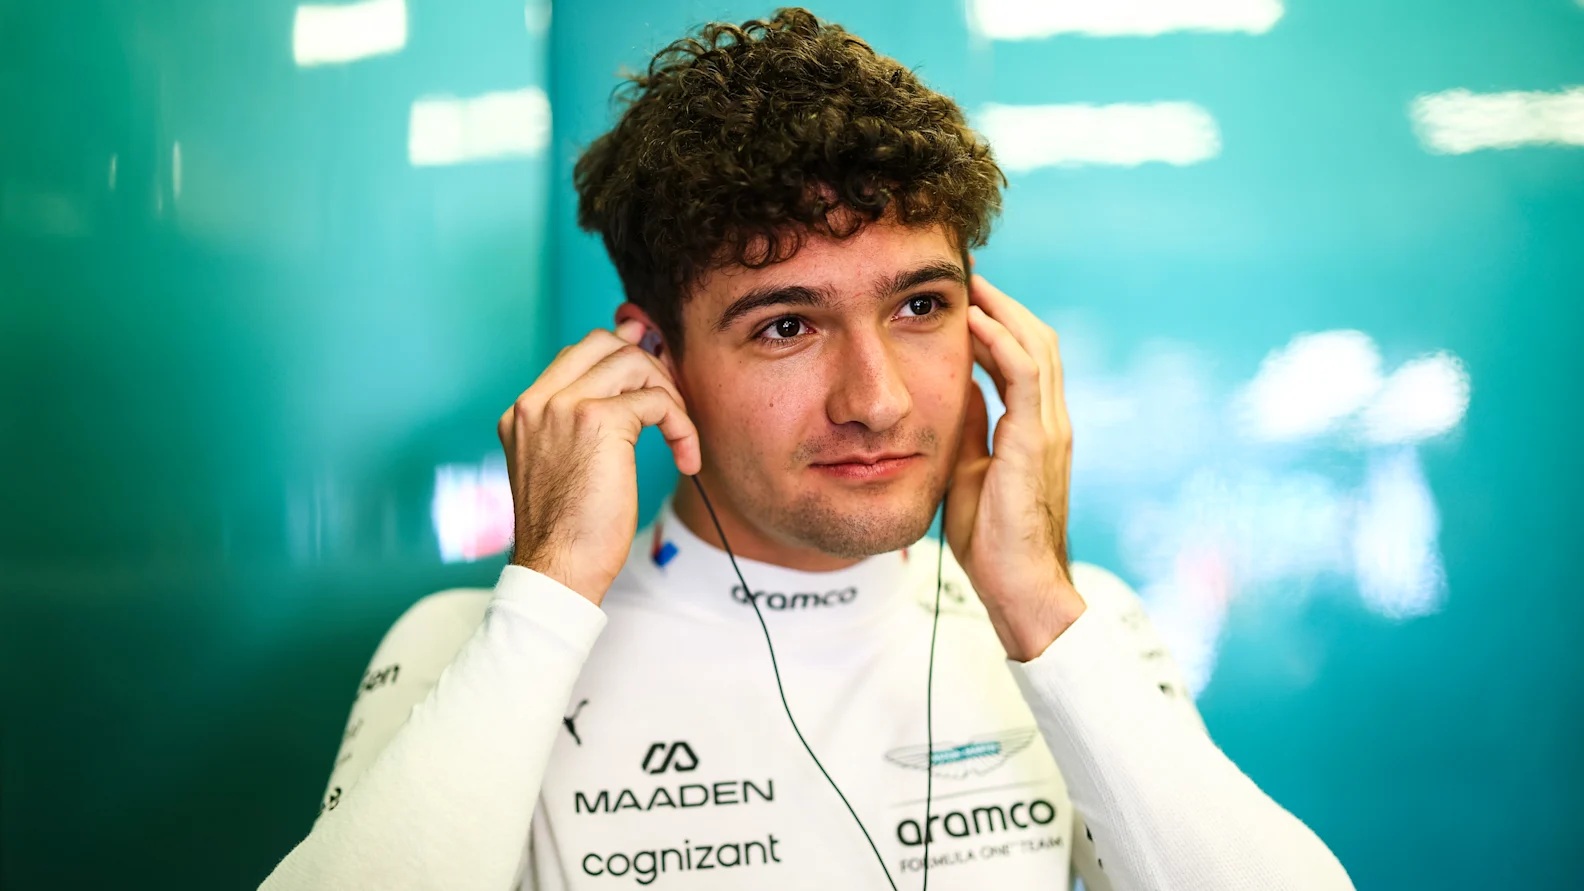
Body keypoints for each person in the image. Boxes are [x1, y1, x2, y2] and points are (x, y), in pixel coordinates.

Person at [259, 8, 1355, 890]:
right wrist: (547, 598)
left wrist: (1039, 611)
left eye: (921, 307)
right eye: (786, 325)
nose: (876, 401)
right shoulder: (480, 647)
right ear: (655, 357)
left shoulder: (1081, 628)